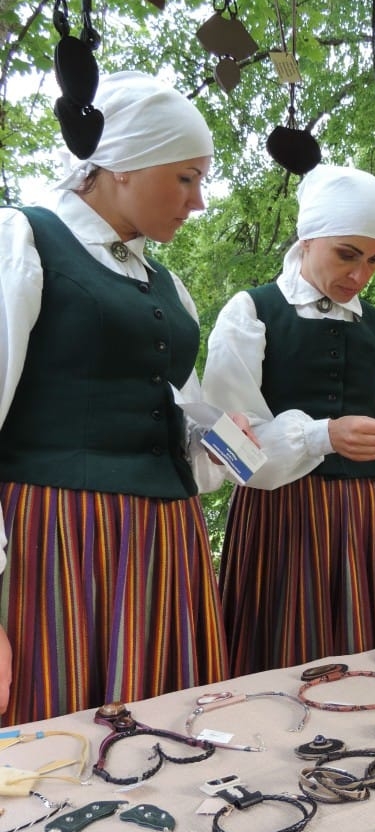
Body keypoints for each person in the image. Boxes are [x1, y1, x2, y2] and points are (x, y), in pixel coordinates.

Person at [0, 71, 235, 725]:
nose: (198, 201)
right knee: (64, 737)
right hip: (64, 542)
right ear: (125, 165)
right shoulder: (22, 243)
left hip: (168, 540)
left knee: (168, 731)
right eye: (186, 176)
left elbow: (188, 425)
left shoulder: (168, 287)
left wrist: (232, 439)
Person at [202, 164, 375, 674]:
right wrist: (322, 435)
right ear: (308, 237)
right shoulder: (250, 312)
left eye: (374, 261)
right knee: (281, 671)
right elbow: (228, 445)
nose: (360, 275)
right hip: (280, 525)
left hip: (367, 524)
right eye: (347, 254)